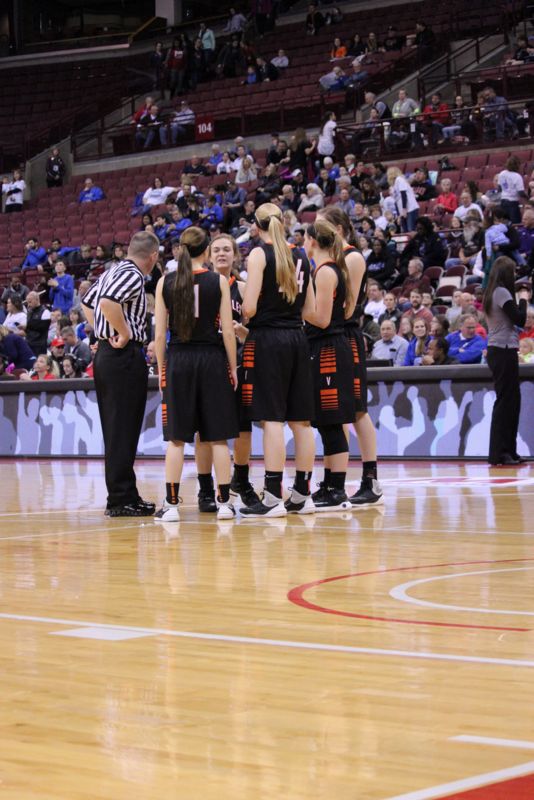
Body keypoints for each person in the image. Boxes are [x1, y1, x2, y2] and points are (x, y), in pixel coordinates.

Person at [152, 227, 239, 521]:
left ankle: (171, 505)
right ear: (206, 251)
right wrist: (233, 366)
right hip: (212, 359)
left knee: (176, 439)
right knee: (218, 438)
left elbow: (159, 336)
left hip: (179, 359)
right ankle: (224, 503)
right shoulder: (219, 281)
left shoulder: (165, 282)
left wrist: (161, 369)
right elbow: (228, 331)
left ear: (181, 249)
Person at [239, 202, 316, 517]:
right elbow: (310, 310)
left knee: (272, 419)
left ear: (256, 227)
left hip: (268, 339)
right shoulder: (302, 255)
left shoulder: (259, 254)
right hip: (297, 337)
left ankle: (272, 496)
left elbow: (248, 309)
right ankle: (303, 494)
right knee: (301, 421)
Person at [81, 231, 160, 517]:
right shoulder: (134, 275)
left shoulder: (111, 271)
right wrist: (122, 332)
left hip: (108, 355)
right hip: (122, 356)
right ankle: (121, 498)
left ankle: (123, 495)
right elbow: (107, 303)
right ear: (153, 256)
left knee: (117, 428)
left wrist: (102, 332)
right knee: (123, 428)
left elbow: (87, 302)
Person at [318, 205, 382, 507]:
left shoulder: (352, 257)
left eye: (322, 226)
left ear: (339, 229)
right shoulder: (328, 259)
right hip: (332, 335)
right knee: (337, 412)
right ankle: (333, 480)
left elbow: (348, 306)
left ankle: (371, 480)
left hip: (346, 334)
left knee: (357, 409)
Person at [193, 234, 260, 512]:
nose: (221, 254)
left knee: (243, 427)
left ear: (235, 255)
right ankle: (205, 489)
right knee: (204, 430)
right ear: (208, 255)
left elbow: (256, 333)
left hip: (239, 364)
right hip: (208, 362)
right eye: (216, 250)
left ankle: (241, 480)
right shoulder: (200, 286)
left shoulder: (243, 289)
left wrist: (242, 331)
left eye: (226, 250)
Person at [303, 219, 357, 511]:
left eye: (304, 238)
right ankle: (330, 485)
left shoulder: (325, 272)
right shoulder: (330, 269)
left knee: (332, 422)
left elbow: (322, 319)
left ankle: (337, 489)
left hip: (328, 349)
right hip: (325, 347)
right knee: (326, 422)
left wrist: (297, 306)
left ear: (312, 240)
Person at [483, 256, 530, 465]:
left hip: (503, 350)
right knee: (505, 401)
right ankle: (500, 452)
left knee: (511, 401)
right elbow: (520, 319)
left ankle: (509, 450)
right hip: (502, 350)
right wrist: (524, 298)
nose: (515, 275)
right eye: (512, 271)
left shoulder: (492, 292)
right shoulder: (501, 292)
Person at [387, 167, 419, 232]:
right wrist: (399, 215)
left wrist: (404, 209)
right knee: (405, 231)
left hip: (410, 208)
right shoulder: (393, 186)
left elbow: (403, 194)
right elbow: (396, 201)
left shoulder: (399, 179)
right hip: (403, 211)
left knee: (411, 229)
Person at [498, 155, 526, 225]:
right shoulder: (517, 176)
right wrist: (527, 197)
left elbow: (499, 188)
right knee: (515, 224)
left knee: (504, 223)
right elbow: (521, 192)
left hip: (503, 201)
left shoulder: (502, 174)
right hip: (512, 203)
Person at [25, 291, 51, 356]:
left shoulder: (45, 312)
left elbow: (43, 327)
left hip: (39, 346)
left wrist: (27, 326)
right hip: (29, 344)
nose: (28, 305)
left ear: (37, 300)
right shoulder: (29, 312)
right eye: (27, 302)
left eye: (30, 302)